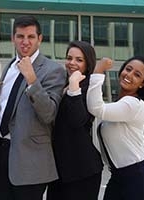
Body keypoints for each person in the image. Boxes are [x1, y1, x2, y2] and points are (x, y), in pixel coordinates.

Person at [0, 15, 66, 200]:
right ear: (12, 38)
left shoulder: (53, 70)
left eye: (31, 37)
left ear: (40, 39)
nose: (25, 42)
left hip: (31, 161)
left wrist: (32, 80)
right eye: (20, 36)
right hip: (3, 155)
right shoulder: (8, 66)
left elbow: (49, 113)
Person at [86, 56, 144, 200]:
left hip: (138, 177)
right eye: (128, 69)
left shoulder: (133, 104)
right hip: (119, 176)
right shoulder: (122, 103)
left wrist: (98, 70)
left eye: (137, 75)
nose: (129, 75)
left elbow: (96, 108)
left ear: (142, 84)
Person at [46, 41, 103, 200]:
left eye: (79, 60)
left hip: (82, 170)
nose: (72, 63)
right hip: (59, 169)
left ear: (88, 63)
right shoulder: (61, 84)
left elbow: (77, 120)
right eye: (69, 58)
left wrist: (74, 86)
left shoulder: (88, 89)